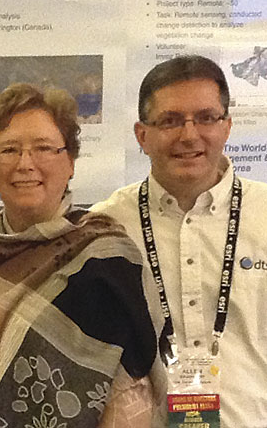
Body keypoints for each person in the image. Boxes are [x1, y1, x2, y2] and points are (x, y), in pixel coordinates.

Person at [0, 83, 157, 427]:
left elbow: (132, 378)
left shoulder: (106, 257)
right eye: (9, 150)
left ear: (71, 162)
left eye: (44, 148)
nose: (25, 164)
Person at [91, 55, 267, 427]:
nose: (189, 135)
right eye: (170, 121)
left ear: (227, 126)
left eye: (205, 118)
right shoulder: (104, 227)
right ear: (142, 135)